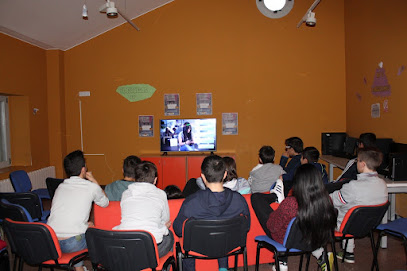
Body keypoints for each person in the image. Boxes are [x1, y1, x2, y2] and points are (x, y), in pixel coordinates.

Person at [251, 164, 337, 271]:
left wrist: (277, 212)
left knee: (256, 198)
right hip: (315, 240)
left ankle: (276, 197)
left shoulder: (291, 203)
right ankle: (320, 254)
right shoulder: (327, 200)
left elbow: (272, 226)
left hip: (289, 241)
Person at [173, 155, 250, 271]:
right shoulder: (239, 200)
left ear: (203, 177)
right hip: (228, 245)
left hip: (197, 247)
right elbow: (246, 226)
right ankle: (223, 268)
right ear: (224, 174)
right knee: (223, 233)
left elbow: (178, 230)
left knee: (186, 241)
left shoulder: (191, 202)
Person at [47, 150, 109, 271]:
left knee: (83, 229)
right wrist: (94, 181)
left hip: (50, 241)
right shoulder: (91, 187)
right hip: (73, 243)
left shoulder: (60, 186)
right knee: (97, 233)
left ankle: (79, 267)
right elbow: (105, 203)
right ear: (83, 169)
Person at [330, 147, 388, 264]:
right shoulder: (383, 184)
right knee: (352, 208)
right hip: (369, 226)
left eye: (357, 161)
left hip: (345, 227)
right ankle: (348, 252)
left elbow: (332, 201)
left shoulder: (353, 186)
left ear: (362, 164)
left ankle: (319, 253)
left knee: (324, 209)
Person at [114, 161, 174, 257]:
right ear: (155, 180)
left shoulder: (126, 193)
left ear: (135, 178)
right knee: (169, 235)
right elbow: (165, 220)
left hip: (126, 243)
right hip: (151, 246)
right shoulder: (160, 194)